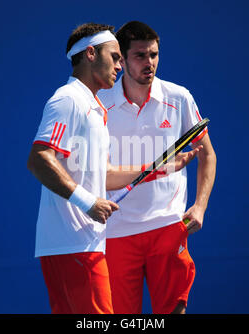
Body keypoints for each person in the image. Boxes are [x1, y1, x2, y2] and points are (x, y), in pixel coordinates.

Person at [27, 22, 200, 314]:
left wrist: (159, 168)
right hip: (73, 244)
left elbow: (105, 175)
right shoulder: (68, 100)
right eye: (115, 56)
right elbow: (39, 159)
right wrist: (88, 202)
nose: (120, 65)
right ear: (91, 54)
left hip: (85, 244)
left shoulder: (93, 108)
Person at [98, 21, 217, 314]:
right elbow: (96, 172)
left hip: (167, 225)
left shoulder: (179, 97)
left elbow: (207, 155)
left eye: (153, 54)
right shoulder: (99, 103)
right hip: (116, 232)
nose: (149, 63)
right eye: (140, 55)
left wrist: (200, 206)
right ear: (121, 59)